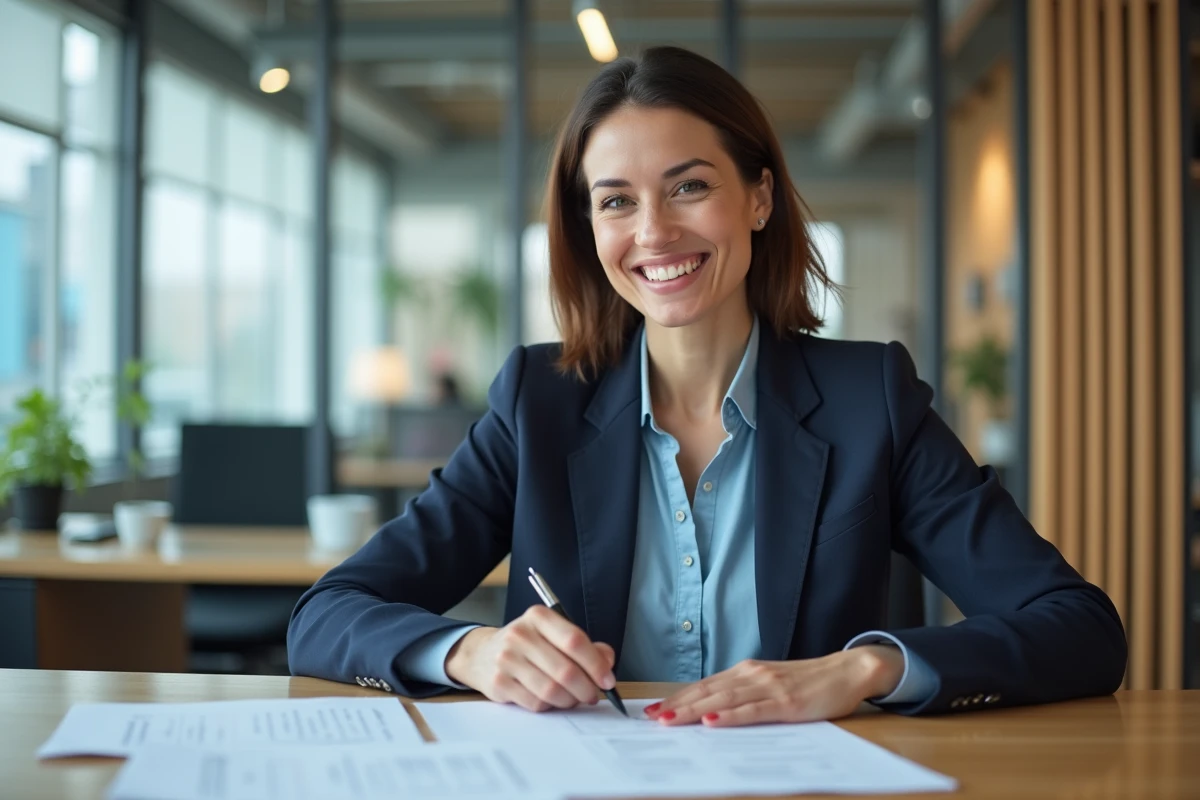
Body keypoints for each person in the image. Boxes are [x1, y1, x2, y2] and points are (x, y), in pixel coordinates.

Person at [288, 46, 1126, 725]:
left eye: (690, 186)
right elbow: (327, 617)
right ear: (588, 228)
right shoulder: (536, 403)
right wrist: (470, 652)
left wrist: (865, 669)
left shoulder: (873, 398)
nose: (654, 232)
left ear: (758, 197)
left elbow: (1082, 630)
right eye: (616, 201)